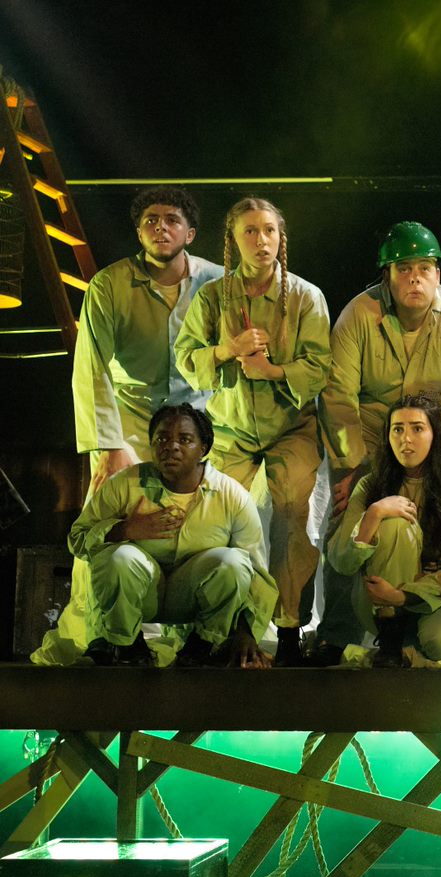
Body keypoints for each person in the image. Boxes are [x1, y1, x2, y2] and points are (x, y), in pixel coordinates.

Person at [41, 188, 227, 666]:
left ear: (190, 232)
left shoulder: (219, 282)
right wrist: (107, 446)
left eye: (171, 219)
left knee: (215, 523)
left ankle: (209, 632)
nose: (160, 227)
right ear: (138, 230)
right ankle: (108, 630)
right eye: (150, 220)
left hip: (201, 421)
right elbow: (92, 367)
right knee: (114, 521)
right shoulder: (109, 284)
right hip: (131, 419)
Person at [316, 222, 441, 664]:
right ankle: (335, 634)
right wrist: (354, 469)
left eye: (425, 268)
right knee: (342, 519)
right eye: (403, 268)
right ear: (386, 276)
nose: (415, 278)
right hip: (372, 436)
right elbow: (338, 395)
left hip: (437, 440)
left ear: (438, 273)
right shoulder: (359, 314)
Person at [175, 197, 332, 666]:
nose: (261, 241)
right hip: (231, 428)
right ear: (233, 240)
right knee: (219, 522)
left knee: (291, 519)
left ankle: (288, 630)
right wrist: (227, 349)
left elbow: (321, 366)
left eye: (269, 231)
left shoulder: (305, 296)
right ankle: (220, 627)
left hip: (291, 427)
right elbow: (188, 359)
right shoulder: (212, 296)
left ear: (281, 238)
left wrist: (273, 371)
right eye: (250, 231)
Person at [68, 404, 275, 668]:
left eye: (185, 439)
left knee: (234, 562)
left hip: (192, 599)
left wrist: (245, 632)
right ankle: (127, 647)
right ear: (152, 445)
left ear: (204, 448)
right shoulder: (126, 484)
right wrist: (124, 530)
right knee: (119, 557)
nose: (172, 446)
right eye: (162, 439)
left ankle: (202, 647)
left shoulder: (231, 495)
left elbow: (256, 571)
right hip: (141, 596)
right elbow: (77, 539)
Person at [328, 395, 441, 667]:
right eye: (397, 429)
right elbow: (341, 562)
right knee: (395, 522)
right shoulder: (370, 486)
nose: (406, 439)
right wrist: (373, 515)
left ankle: (414, 649)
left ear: (435, 434)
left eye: (417, 428)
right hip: (379, 603)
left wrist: (405, 595)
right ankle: (391, 642)